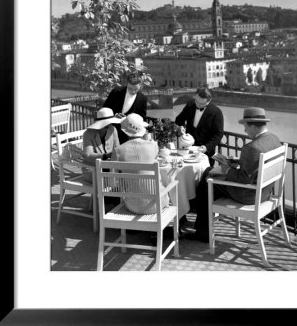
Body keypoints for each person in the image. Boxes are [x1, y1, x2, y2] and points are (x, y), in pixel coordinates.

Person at [184, 107, 282, 243]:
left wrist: (226, 169)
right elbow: (255, 166)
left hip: (248, 195)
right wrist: (237, 161)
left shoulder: (252, 148)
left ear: (253, 126)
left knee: (207, 182)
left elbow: (242, 179)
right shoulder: (273, 139)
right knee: (207, 173)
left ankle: (202, 230)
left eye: (245, 127)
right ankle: (202, 221)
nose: (244, 130)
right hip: (265, 192)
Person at [117, 113, 169, 215]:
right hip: (157, 204)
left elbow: (114, 181)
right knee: (169, 183)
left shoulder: (118, 150)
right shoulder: (153, 146)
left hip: (131, 205)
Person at [175, 87, 224, 167]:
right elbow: (179, 119)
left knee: (203, 178)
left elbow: (218, 134)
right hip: (188, 150)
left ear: (209, 101)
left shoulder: (216, 112)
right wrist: (181, 127)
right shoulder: (190, 104)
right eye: (196, 101)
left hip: (205, 153)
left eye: (201, 104)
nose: (197, 104)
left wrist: (206, 147)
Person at [103, 72, 148, 145]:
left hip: (129, 135)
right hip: (111, 131)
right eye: (130, 88)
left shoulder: (143, 99)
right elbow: (105, 108)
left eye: (136, 89)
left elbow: (142, 118)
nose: (133, 91)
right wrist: (114, 115)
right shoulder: (116, 91)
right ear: (127, 84)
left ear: (140, 86)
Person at [82, 107, 120, 185]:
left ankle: (113, 196)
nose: (111, 124)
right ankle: (105, 196)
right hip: (92, 169)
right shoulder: (88, 133)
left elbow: (118, 149)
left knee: (126, 175)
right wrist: (106, 156)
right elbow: (88, 155)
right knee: (115, 179)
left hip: (109, 167)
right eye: (109, 123)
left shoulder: (113, 129)